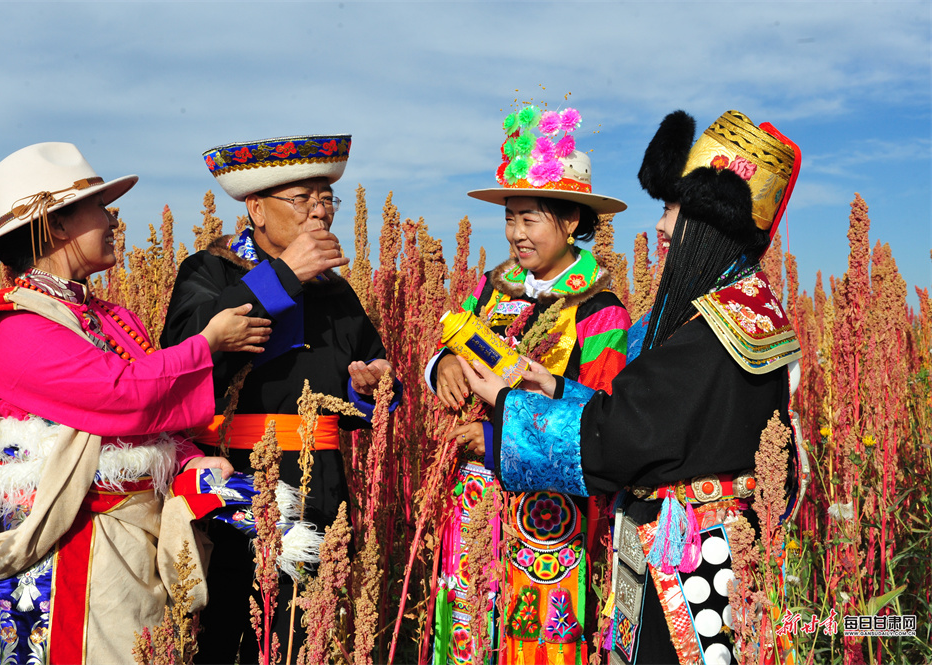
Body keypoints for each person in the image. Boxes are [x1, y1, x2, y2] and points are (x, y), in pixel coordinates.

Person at [458, 110, 805, 665]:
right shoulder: (741, 309)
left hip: (692, 568)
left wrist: (508, 406)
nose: (661, 228)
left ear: (709, 226)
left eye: (672, 210)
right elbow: (642, 413)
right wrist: (555, 385)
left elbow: (621, 439)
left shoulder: (710, 334)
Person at [0, 142, 270, 663]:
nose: (112, 219)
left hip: (127, 552)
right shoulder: (13, 326)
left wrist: (188, 457)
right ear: (58, 226)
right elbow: (120, 396)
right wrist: (206, 344)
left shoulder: (110, 317)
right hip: (67, 555)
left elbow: (151, 417)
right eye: (98, 208)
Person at [160, 134, 400, 662]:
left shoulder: (336, 291)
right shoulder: (210, 270)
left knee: (307, 632)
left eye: (326, 199)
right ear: (256, 209)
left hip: (324, 484)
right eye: (303, 199)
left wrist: (375, 384)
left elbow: (373, 371)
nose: (321, 213)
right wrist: (286, 274)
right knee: (231, 629)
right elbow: (184, 349)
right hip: (237, 480)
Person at [426, 104, 631, 664]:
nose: (516, 234)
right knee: (466, 630)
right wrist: (442, 364)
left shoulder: (599, 310)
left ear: (570, 223)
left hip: (549, 512)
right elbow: (458, 341)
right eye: (511, 217)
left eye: (531, 218)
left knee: (534, 641)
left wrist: (497, 440)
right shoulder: (493, 288)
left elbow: (600, 417)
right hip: (475, 494)